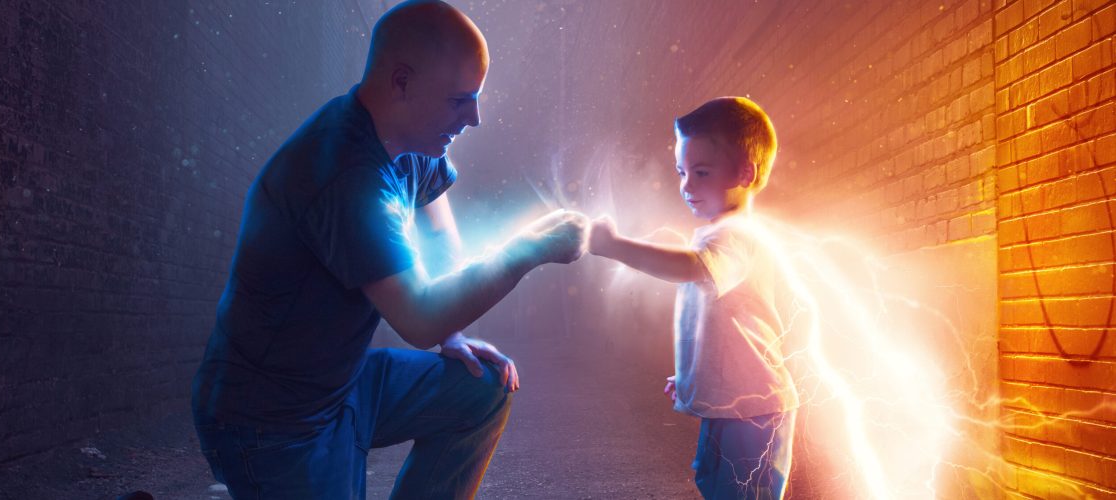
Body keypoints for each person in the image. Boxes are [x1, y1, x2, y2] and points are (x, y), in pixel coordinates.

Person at [190, 1, 586, 498]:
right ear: (402, 82)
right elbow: (419, 320)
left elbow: (439, 232)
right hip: (272, 422)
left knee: (481, 390)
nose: (475, 118)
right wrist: (529, 248)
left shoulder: (413, 141)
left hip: (341, 387)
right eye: (460, 100)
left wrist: (454, 333)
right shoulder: (344, 173)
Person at [587, 97, 799, 499]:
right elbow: (716, 322)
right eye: (682, 172)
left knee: (738, 492)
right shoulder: (718, 233)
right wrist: (693, 375)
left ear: (745, 172)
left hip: (753, 412)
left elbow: (692, 268)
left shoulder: (736, 235)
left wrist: (617, 247)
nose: (686, 186)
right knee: (715, 484)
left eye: (701, 172)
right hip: (732, 405)